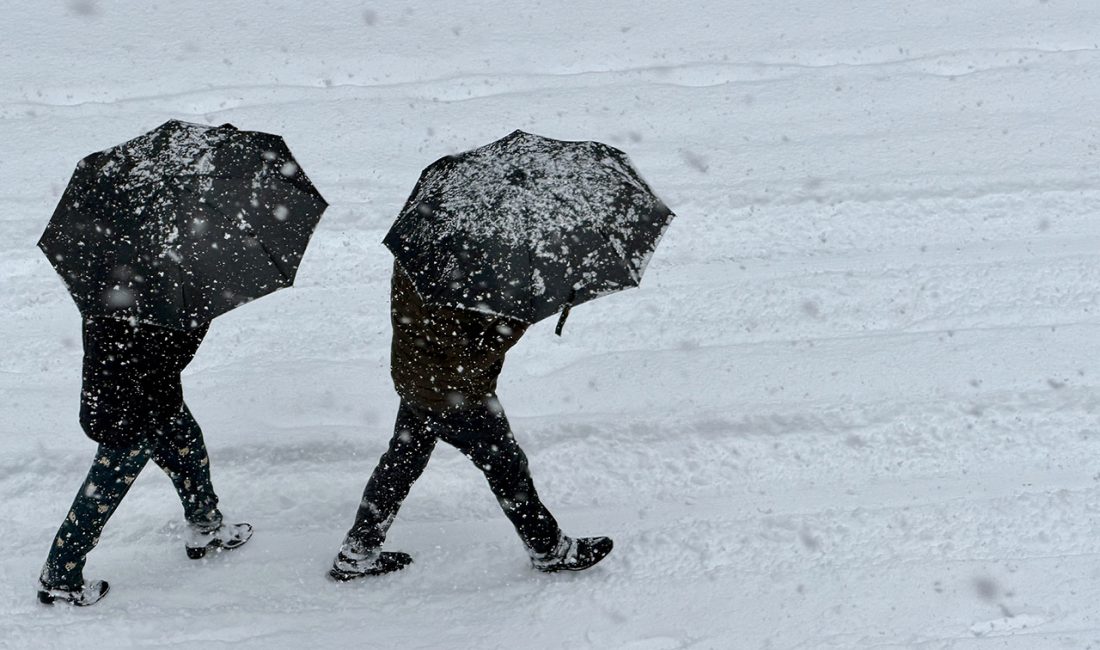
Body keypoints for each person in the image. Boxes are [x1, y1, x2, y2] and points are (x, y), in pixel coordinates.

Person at [329, 262, 612, 580]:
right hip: (455, 393)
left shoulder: (421, 244)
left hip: (417, 378)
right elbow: (467, 353)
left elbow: (434, 325)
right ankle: (549, 550)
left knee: (402, 462)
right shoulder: (467, 267)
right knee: (507, 468)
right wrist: (518, 317)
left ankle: (358, 552)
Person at [37, 316, 252, 606]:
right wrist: (196, 320)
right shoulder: (147, 294)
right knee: (101, 493)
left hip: (150, 398)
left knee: (189, 450)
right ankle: (60, 579)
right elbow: (169, 355)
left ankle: (205, 525)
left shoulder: (125, 283)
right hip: (128, 411)